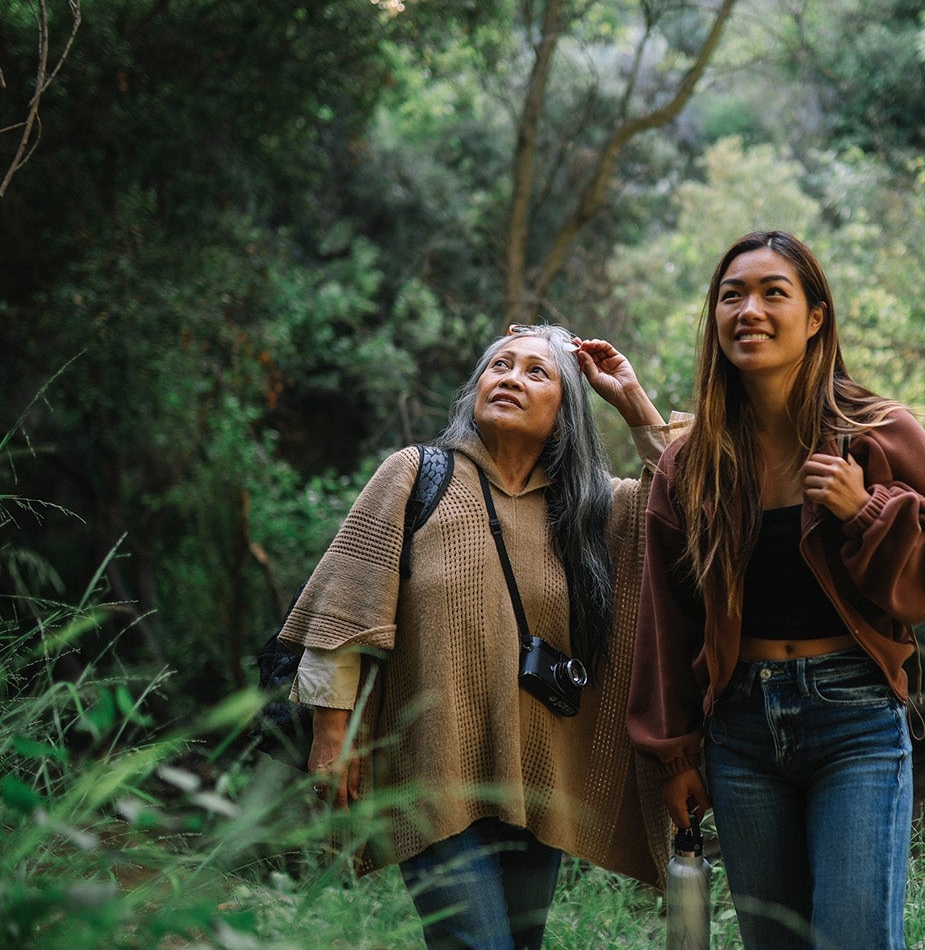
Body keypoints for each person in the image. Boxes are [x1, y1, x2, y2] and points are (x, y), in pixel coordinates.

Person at [278, 324, 681, 950]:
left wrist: (630, 399)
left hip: (539, 779)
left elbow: (692, 510)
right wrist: (332, 735)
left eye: (535, 372)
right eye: (499, 366)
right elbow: (344, 608)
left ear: (566, 412)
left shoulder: (594, 508)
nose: (511, 378)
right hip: (432, 770)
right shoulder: (417, 476)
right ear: (474, 390)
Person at [627, 231, 925, 950]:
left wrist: (866, 511)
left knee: (854, 937)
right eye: (732, 295)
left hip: (854, 718)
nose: (749, 310)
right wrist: (674, 754)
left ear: (816, 316)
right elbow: (666, 618)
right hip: (741, 731)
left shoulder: (879, 432)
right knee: (774, 941)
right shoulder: (691, 465)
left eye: (772, 292)